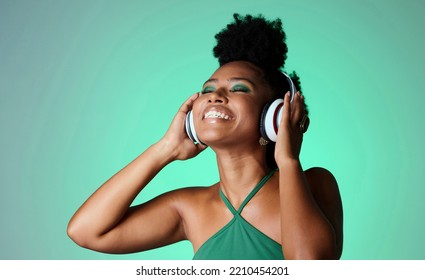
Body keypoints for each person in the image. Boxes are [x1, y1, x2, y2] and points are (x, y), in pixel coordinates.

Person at [67, 14, 343, 260]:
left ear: (274, 115)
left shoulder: (315, 183)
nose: (214, 96)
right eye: (208, 89)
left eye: (239, 89)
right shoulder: (189, 208)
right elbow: (86, 231)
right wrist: (165, 149)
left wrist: (289, 161)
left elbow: (310, 264)